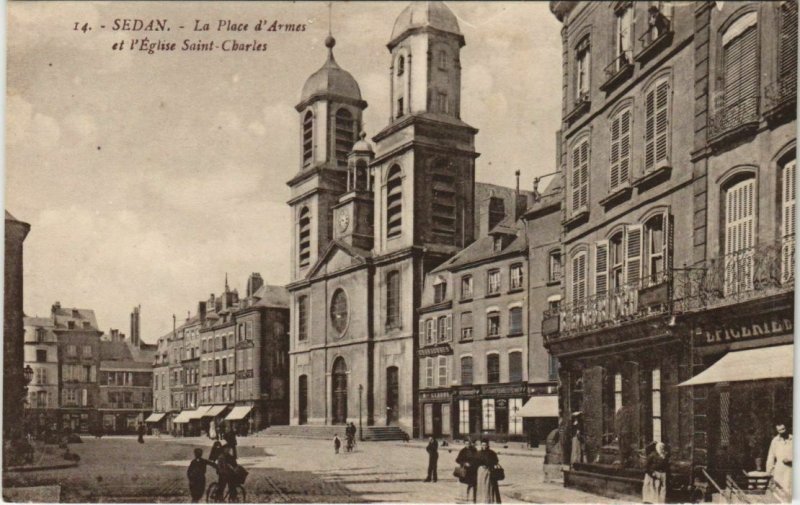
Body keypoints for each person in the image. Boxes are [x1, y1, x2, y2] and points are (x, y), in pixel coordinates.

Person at [766, 422, 793, 495]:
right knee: (779, 492)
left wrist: (791, 459)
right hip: (779, 470)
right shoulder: (775, 441)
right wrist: (770, 471)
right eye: (779, 430)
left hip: (791, 470)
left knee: (790, 491)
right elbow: (771, 457)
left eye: (783, 429)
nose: (782, 431)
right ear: (777, 430)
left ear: (787, 428)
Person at [475, 439, 501, 503]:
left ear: (487, 445)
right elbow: (475, 462)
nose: (484, 446)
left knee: (488, 486)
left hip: (489, 471)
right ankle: (481, 501)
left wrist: (489, 465)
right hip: (481, 472)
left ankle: (488, 501)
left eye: (485, 445)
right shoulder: (478, 453)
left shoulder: (491, 453)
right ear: (481, 445)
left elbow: (496, 461)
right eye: (483, 445)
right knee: (481, 486)